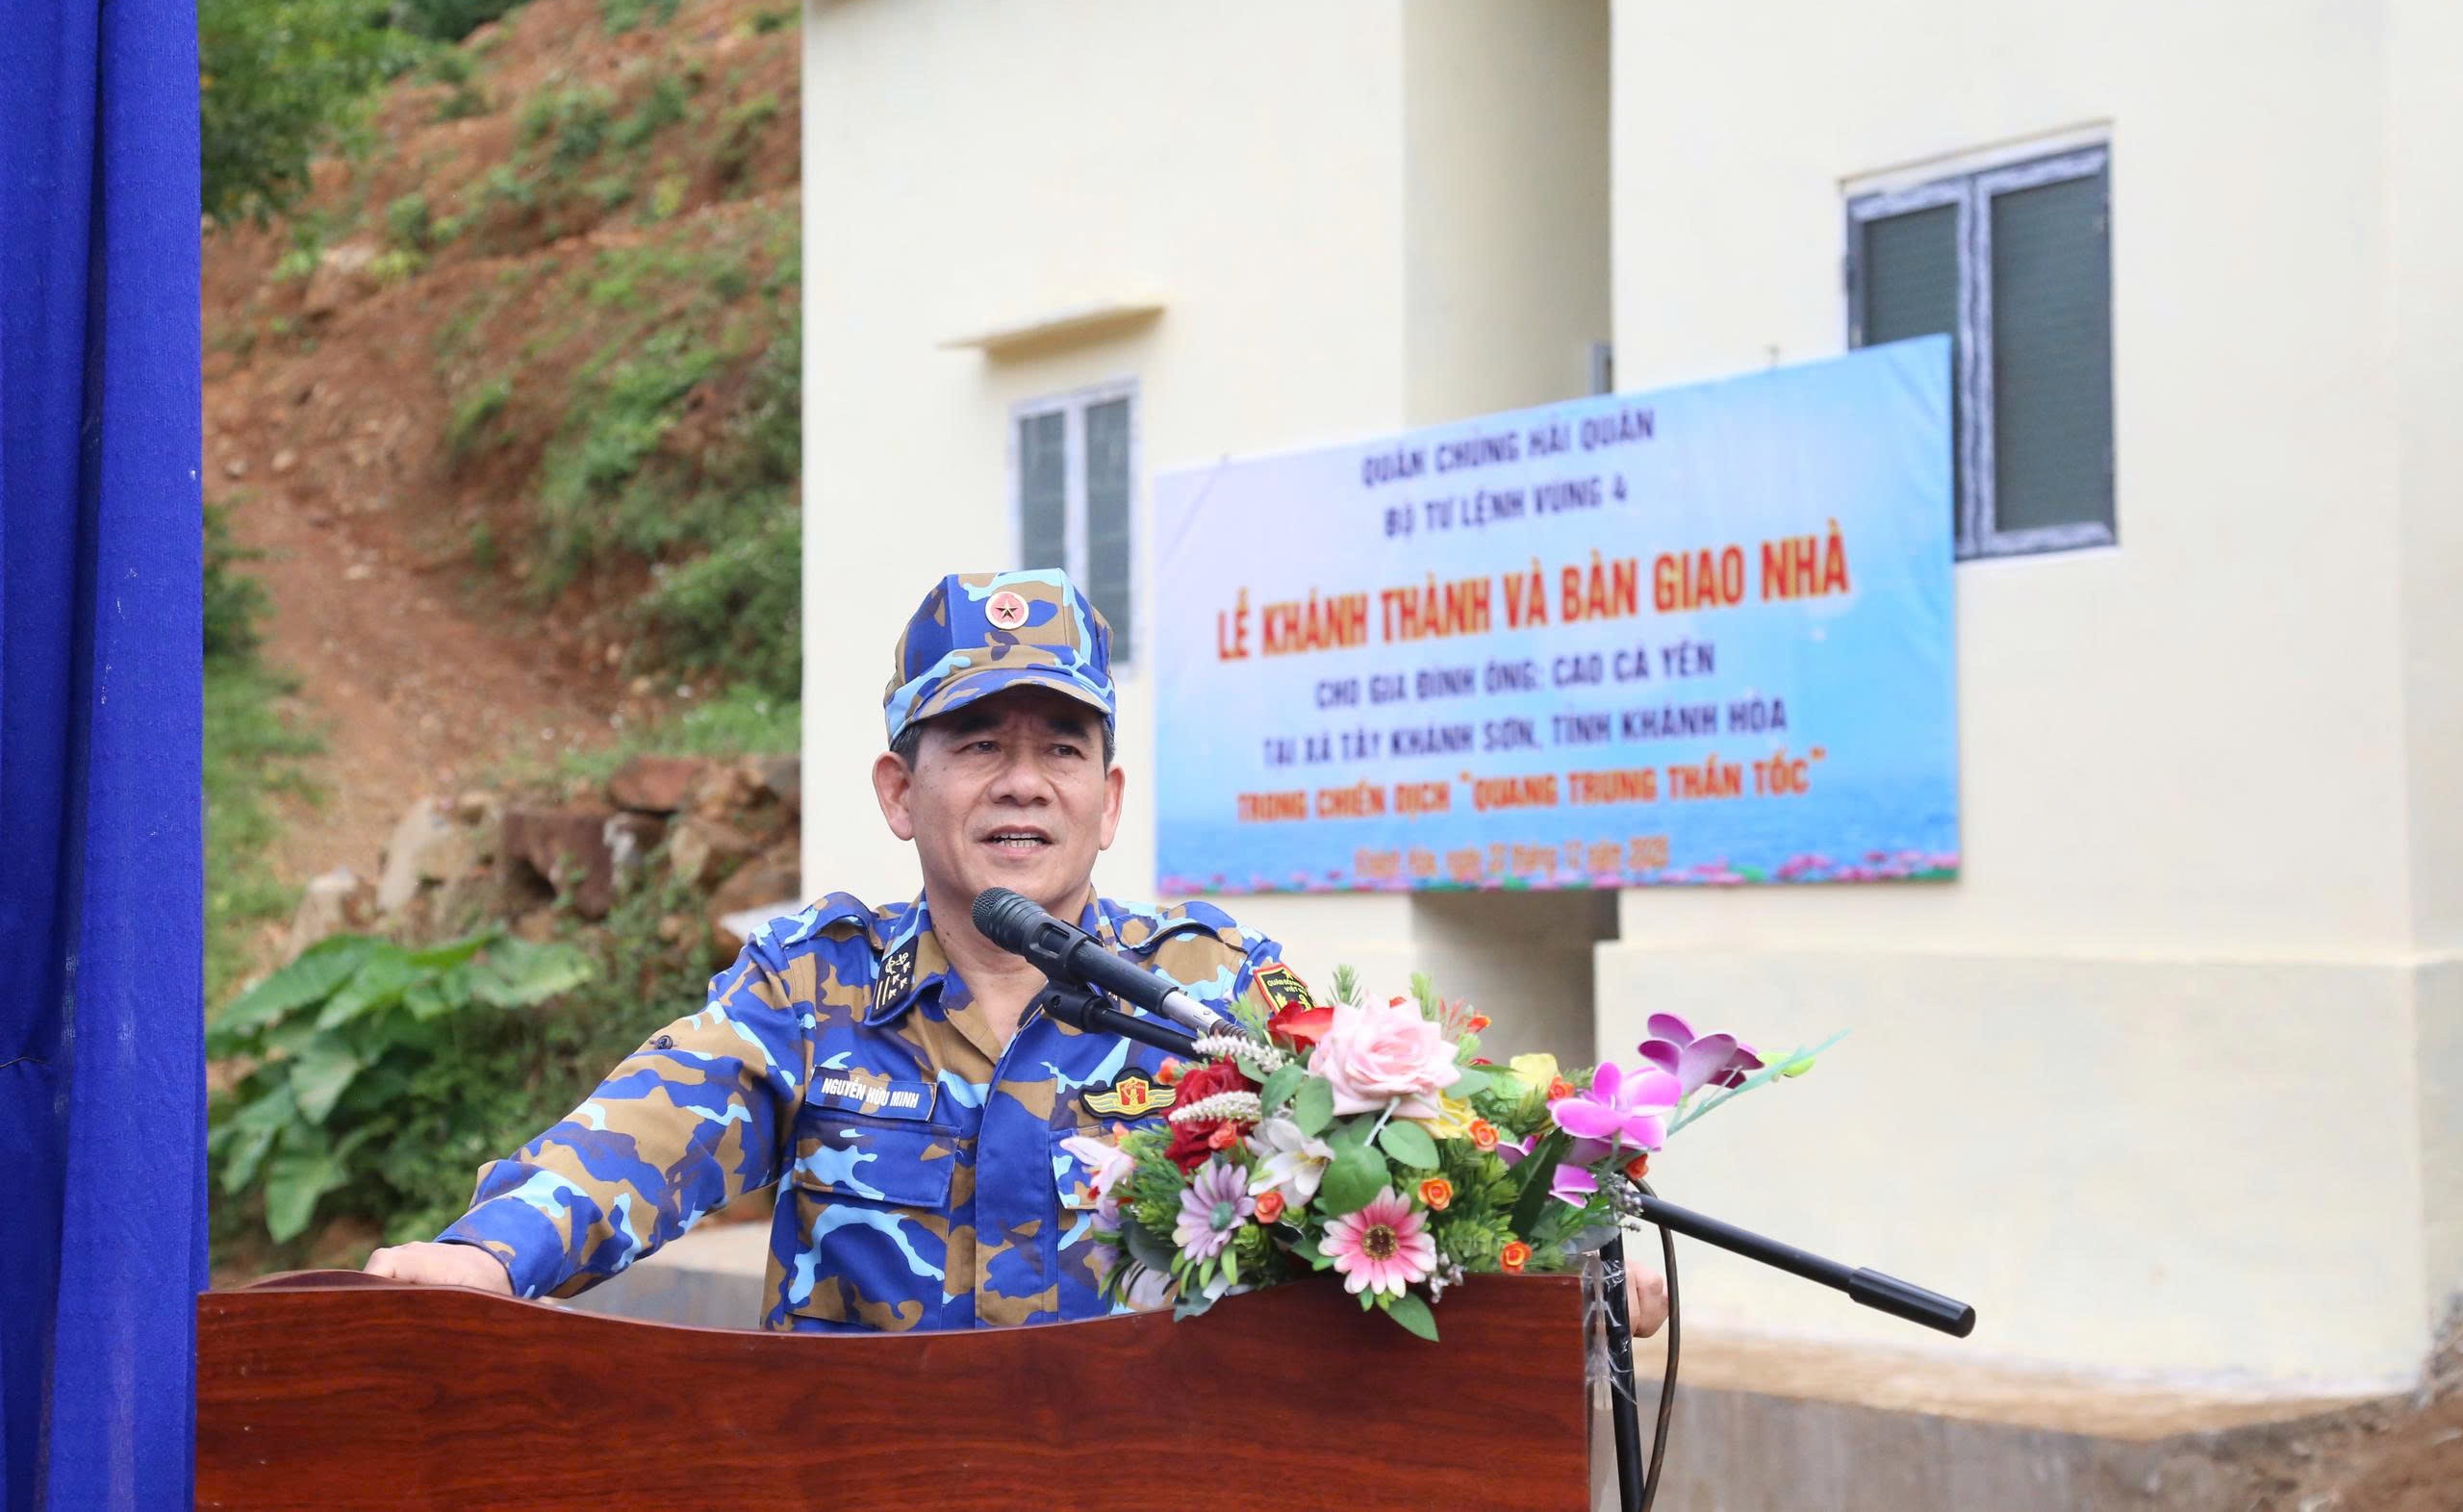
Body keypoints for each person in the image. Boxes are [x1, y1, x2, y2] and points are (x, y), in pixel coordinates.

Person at [367, 568, 1669, 1337]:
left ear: (1111, 798)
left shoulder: (1211, 1000)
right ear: (899, 791)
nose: (1021, 785)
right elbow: (644, 1132)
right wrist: (495, 1253)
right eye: (978, 744)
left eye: (1060, 750)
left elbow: (1405, 1187)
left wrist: (1572, 1270)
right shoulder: (812, 989)